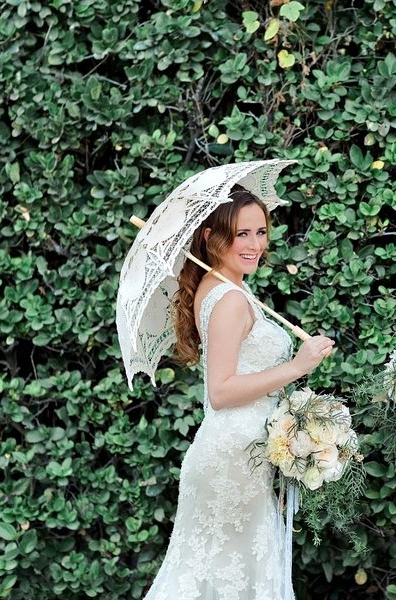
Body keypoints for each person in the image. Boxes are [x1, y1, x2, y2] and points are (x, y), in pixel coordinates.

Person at [144, 186, 334, 600]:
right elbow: (222, 391)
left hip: (240, 453)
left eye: (260, 232)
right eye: (241, 234)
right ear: (212, 237)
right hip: (233, 460)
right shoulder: (229, 299)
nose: (254, 245)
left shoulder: (227, 289)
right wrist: (296, 367)